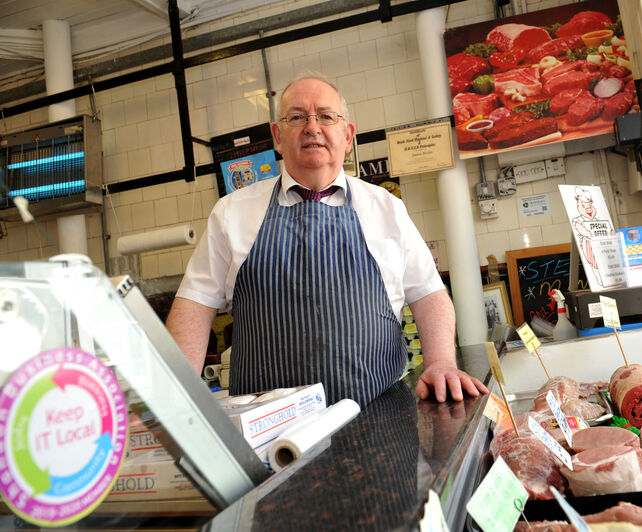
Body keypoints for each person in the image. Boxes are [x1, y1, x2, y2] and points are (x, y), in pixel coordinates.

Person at [166, 74, 487, 406]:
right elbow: (194, 304)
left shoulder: (386, 207)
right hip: (269, 432)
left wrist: (440, 362)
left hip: (379, 421)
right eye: (296, 117)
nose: (312, 127)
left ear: (347, 135)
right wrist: (178, 396)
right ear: (277, 136)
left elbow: (429, 295)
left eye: (325, 116)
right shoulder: (231, 213)